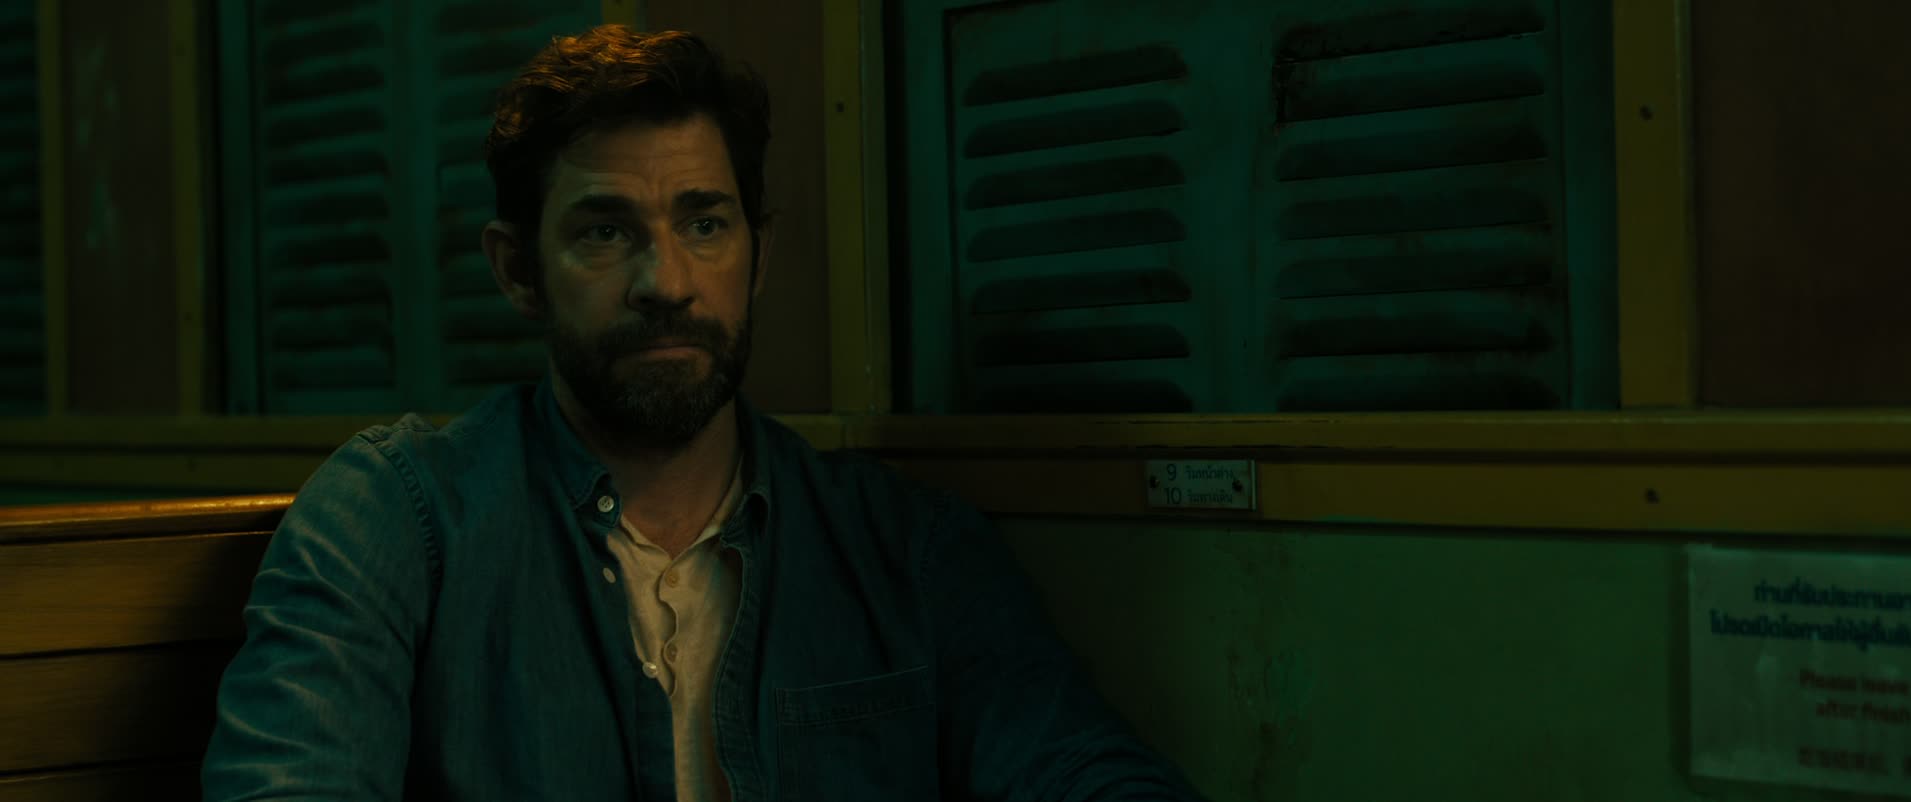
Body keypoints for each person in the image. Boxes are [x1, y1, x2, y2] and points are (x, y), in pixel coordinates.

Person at [202, 25, 1203, 802]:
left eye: (705, 223)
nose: (667, 282)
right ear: (517, 270)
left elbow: (1083, 767)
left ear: (757, 256)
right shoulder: (400, 517)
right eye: (605, 233)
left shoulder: (904, 547)